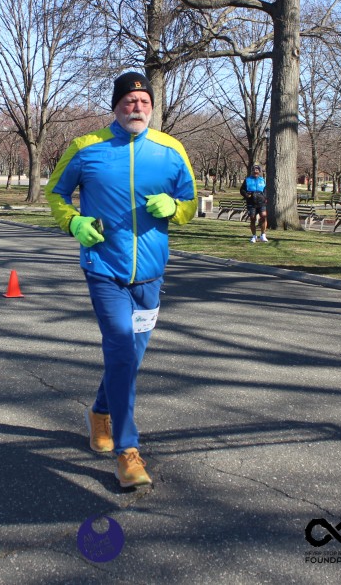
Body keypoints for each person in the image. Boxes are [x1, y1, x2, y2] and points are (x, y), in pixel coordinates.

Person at [46, 71, 197, 488]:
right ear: (116, 106)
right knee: (120, 347)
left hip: (150, 274)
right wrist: (72, 222)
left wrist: (175, 208)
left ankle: (100, 412)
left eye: (144, 102)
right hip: (104, 269)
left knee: (129, 357)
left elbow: (190, 204)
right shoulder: (86, 147)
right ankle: (127, 451)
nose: (137, 107)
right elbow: (55, 193)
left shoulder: (171, 150)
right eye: (129, 101)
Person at [240, 164, 268, 242]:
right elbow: (242, 190)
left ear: (259, 172)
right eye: (254, 171)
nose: (255, 172)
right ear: (252, 171)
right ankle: (254, 236)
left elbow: (265, 189)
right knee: (252, 218)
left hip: (261, 202)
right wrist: (246, 195)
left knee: (263, 216)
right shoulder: (247, 180)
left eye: (257, 171)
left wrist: (265, 197)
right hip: (251, 202)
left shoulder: (262, 180)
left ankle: (263, 235)